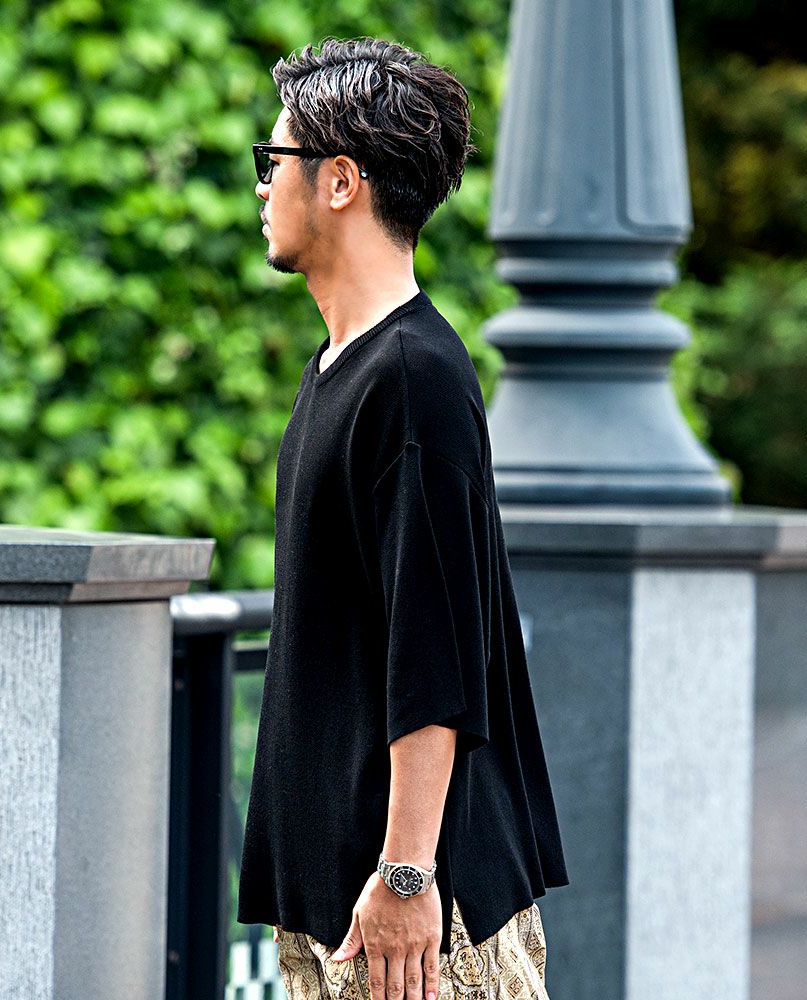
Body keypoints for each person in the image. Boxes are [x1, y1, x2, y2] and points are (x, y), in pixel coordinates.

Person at [237, 37, 569, 1000]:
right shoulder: (340, 369)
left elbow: (434, 656)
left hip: (410, 915)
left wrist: (405, 875)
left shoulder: (413, 377)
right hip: (340, 898)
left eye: (273, 160)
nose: (261, 186)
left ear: (339, 181)